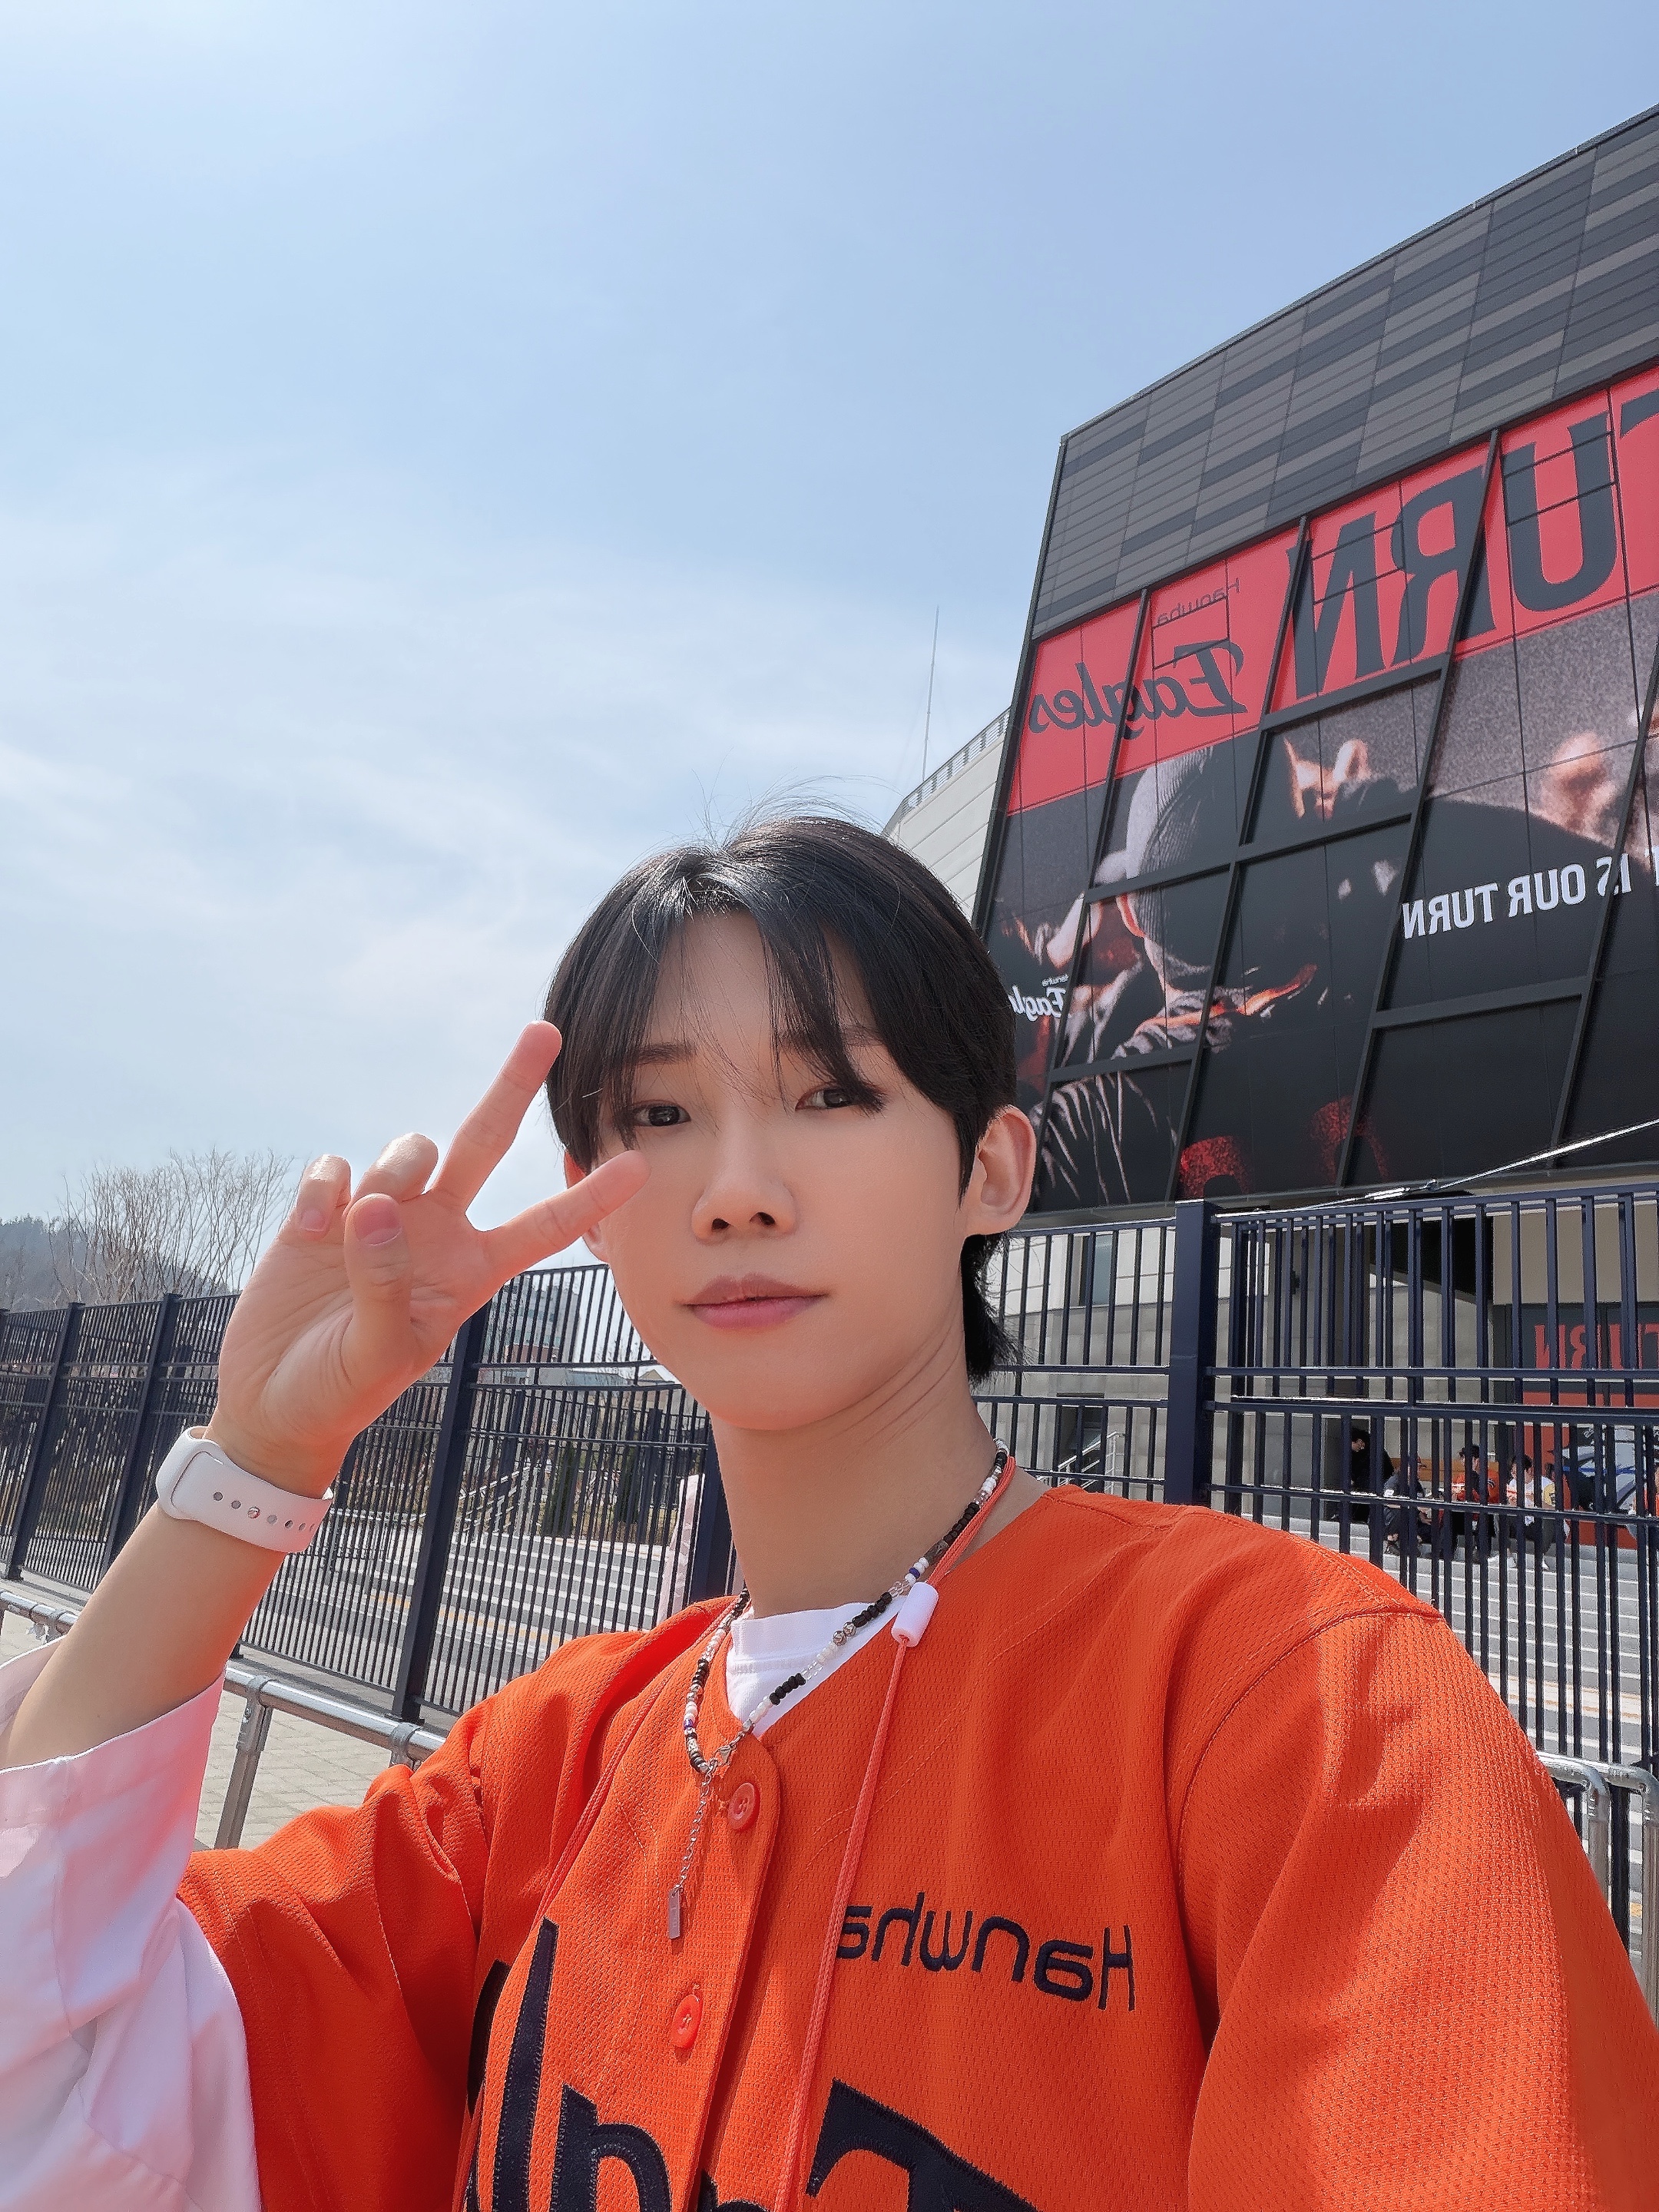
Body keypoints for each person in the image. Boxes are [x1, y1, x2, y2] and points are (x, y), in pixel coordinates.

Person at [2, 813, 1657, 2212]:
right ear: (593, 1208)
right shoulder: (537, 1774)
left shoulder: (1305, 1705)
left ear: (991, 1170)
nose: (736, 1187)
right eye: (659, 1117)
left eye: (831, 1093)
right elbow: (58, 2066)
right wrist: (256, 1455)